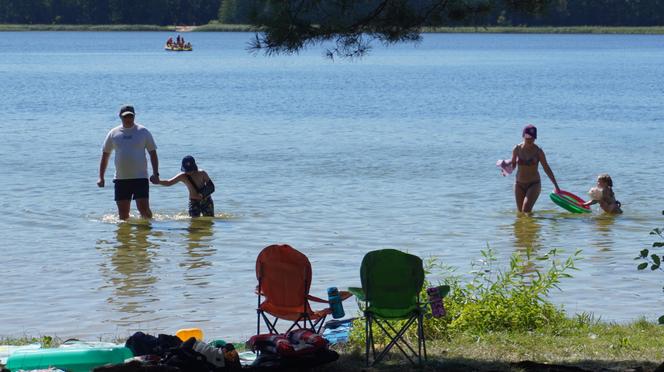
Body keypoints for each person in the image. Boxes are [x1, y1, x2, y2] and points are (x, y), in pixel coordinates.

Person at [98, 105, 159, 220]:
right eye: (125, 116)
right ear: (120, 117)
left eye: (131, 116)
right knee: (123, 215)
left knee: (144, 210)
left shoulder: (143, 132)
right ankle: (125, 237)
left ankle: (146, 234)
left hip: (140, 177)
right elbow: (105, 155)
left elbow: (153, 153)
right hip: (121, 179)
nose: (128, 119)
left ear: (134, 116)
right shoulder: (113, 133)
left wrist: (156, 174)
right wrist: (101, 177)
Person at [510, 124, 561, 213]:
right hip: (519, 184)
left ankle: (532, 225)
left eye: (532, 137)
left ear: (535, 138)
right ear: (523, 136)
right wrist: (507, 166)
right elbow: (513, 165)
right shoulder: (516, 149)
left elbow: (546, 168)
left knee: (526, 210)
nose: (529, 139)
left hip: (534, 184)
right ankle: (529, 226)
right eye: (527, 136)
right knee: (520, 213)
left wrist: (556, 186)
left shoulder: (538, 151)